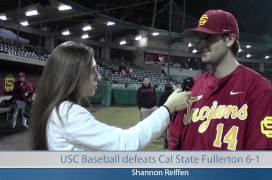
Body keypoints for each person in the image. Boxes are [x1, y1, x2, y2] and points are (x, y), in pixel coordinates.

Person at [31, 41, 190, 151]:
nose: (98, 77)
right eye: (93, 70)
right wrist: (169, 107)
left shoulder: (58, 110)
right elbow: (125, 144)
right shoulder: (67, 113)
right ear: (75, 74)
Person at [168, 10, 272, 150]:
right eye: (200, 38)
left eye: (208, 37)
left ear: (230, 39)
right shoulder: (194, 86)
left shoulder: (258, 88)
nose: (201, 44)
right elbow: (175, 139)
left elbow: (266, 154)